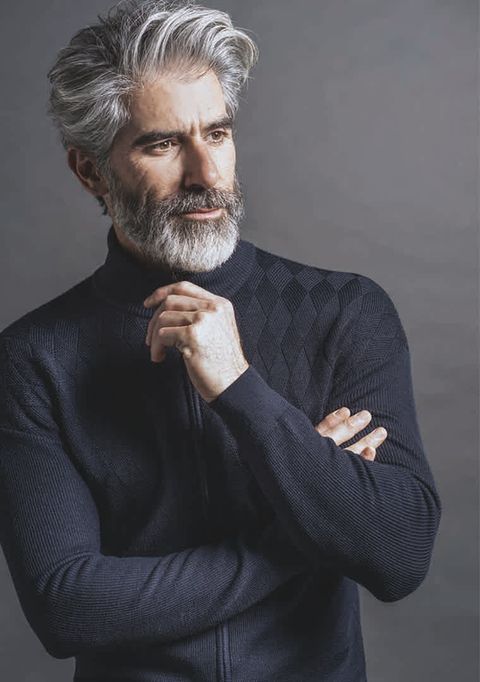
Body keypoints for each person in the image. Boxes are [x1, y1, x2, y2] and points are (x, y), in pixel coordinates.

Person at [0, 1, 441, 680]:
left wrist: (239, 387)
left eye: (217, 132)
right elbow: (71, 609)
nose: (206, 175)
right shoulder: (33, 359)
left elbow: (400, 554)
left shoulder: (345, 313)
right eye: (162, 144)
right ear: (90, 172)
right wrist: (296, 530)